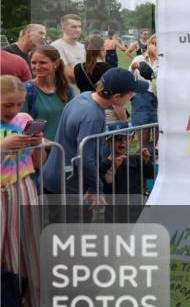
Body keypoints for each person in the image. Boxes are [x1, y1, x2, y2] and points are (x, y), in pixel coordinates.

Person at [42, 68, 147, 213]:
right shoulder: (93, 116)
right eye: (131, 94)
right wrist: (96, 187)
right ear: (116, 97)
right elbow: (86, 157)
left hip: (54, 176)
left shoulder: (83, 96)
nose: (132, 96)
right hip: (69, 185)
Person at [0, 75, 48, 307]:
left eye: (17, 104)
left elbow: (38, 162)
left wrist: (37, 143)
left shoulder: (23, 118)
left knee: (28, 257)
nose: (13, 110)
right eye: (7, 104)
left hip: (23, 189)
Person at [100, 121, 154, 223]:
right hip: (115, 212)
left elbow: (150, 175)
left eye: (127, 138)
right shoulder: (105, 164)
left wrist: (146, 161)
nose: (123, 142)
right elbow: (106, 184)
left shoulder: (136, 159)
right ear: (108, 142)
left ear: (132, 140)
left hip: (136, 209)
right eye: (118, 139)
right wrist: (114, 168)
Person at [23, 46, 74, 145]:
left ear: (56, 63)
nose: (37, 67)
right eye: (33, 62)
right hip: (38, 152)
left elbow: (73, 120)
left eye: (42, 63)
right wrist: (49, 144)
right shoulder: (26, 90)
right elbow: (19, 125)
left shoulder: (66, 89)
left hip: (62, 151)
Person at [129, 34, 158, 149]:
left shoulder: (167, 61)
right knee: (142, 141)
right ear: (148, 44)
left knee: (159, 141)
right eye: (153, 43)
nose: (155, 47)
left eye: (159, 44)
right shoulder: (139, 59)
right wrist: (132, 68)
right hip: (141, 99)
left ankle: (157, 165)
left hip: (160, 99)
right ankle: (140, 165)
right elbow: (128, 78)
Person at [50, 14, 85, 90]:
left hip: (82, 94)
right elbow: (69, 74)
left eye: (80, 26)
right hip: (64, 93)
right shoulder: (55, 46)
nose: (78, 29)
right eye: (74, 27)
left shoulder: (83, 47)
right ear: (63, 28)